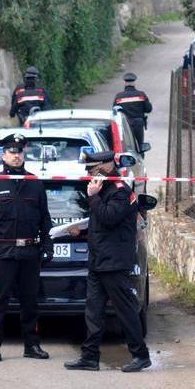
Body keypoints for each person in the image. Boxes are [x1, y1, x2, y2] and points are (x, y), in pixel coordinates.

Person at [63, 151, 151, 373]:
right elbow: (101, 227)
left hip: (113, 263)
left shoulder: (120, 192)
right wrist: (80, 233)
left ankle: (141, 355)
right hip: (98, 260)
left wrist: (93, 196)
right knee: (93, 310)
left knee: (125, 310)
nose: (90, 174)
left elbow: (109, 218)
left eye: (93, 169)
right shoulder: (105, 189)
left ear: (107, 166)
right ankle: (90, 356)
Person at [0, 133, 54, 362]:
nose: (16, 157)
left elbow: (45, 218)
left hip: (30, 251)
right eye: (12, 152)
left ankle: (32, 345)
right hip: (3, 252)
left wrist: (48, 245)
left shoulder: (34, 183)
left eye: (19, 152)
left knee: (30, 301)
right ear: (4, 155)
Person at [112, 72, 152, 151]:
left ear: (125, 83)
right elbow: (149, 109)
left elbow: (114, 111)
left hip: (125, 125)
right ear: (134, 83)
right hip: (138, 124)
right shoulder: (141, 95)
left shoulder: (119, 96)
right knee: (140, 148)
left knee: (125, 147)